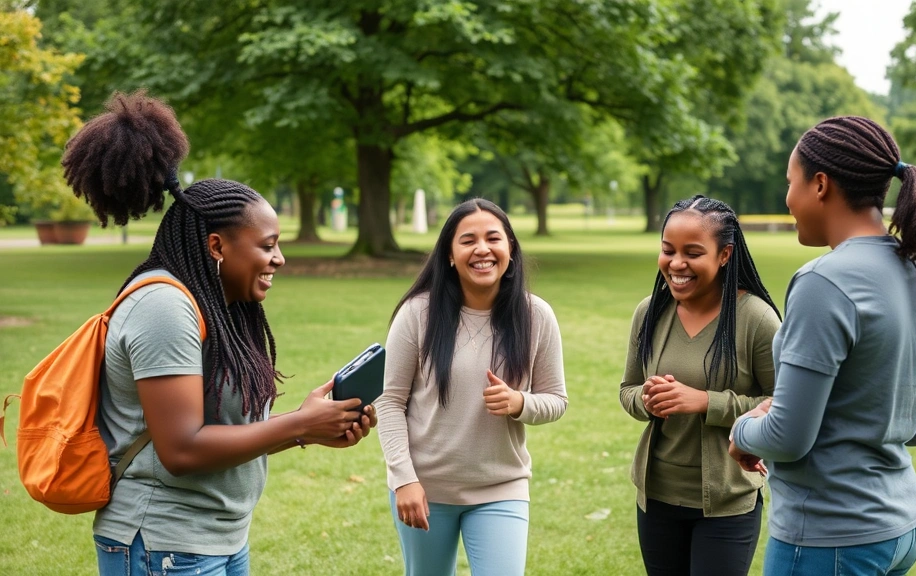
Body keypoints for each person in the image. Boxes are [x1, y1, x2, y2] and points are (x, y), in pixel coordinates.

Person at [61, 91, 376, 576]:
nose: (279, 259)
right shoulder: (163, 306)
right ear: (216, 246)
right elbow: (182, 448)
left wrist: (307, 428)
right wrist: (298, 425)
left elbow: (225, 435)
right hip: (163, 544)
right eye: (268, 246)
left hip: (218, 539)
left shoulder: (217, 303)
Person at [729, 116, 916, 576]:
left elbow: (788, 438)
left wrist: (741, 431)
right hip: (900, 527)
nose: (788, 198)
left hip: (831, 536)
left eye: (790, 182)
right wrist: (780, 409)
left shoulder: (825, 281)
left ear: (819, 185)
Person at [375, 198, 568, 576]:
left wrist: (519, 402)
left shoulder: (536, 316)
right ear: (449, 254)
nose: (482, 249)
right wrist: (404, 480)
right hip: (425, 489)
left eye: (493, 238)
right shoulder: (417, 314)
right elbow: (389, 403)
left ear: (510, 249)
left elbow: (556, 400)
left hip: (501, 485)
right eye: (468, 240)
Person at [619, 195, 782, 576]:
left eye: (692, 253)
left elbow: (785, 403)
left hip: (726, 503)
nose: (676, 264)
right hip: (656, 497)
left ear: (724, 255)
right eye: (667, 250)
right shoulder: (650, 312)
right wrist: (647, 399)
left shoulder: (756, 318)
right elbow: (628, 388)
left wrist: (705, 402)